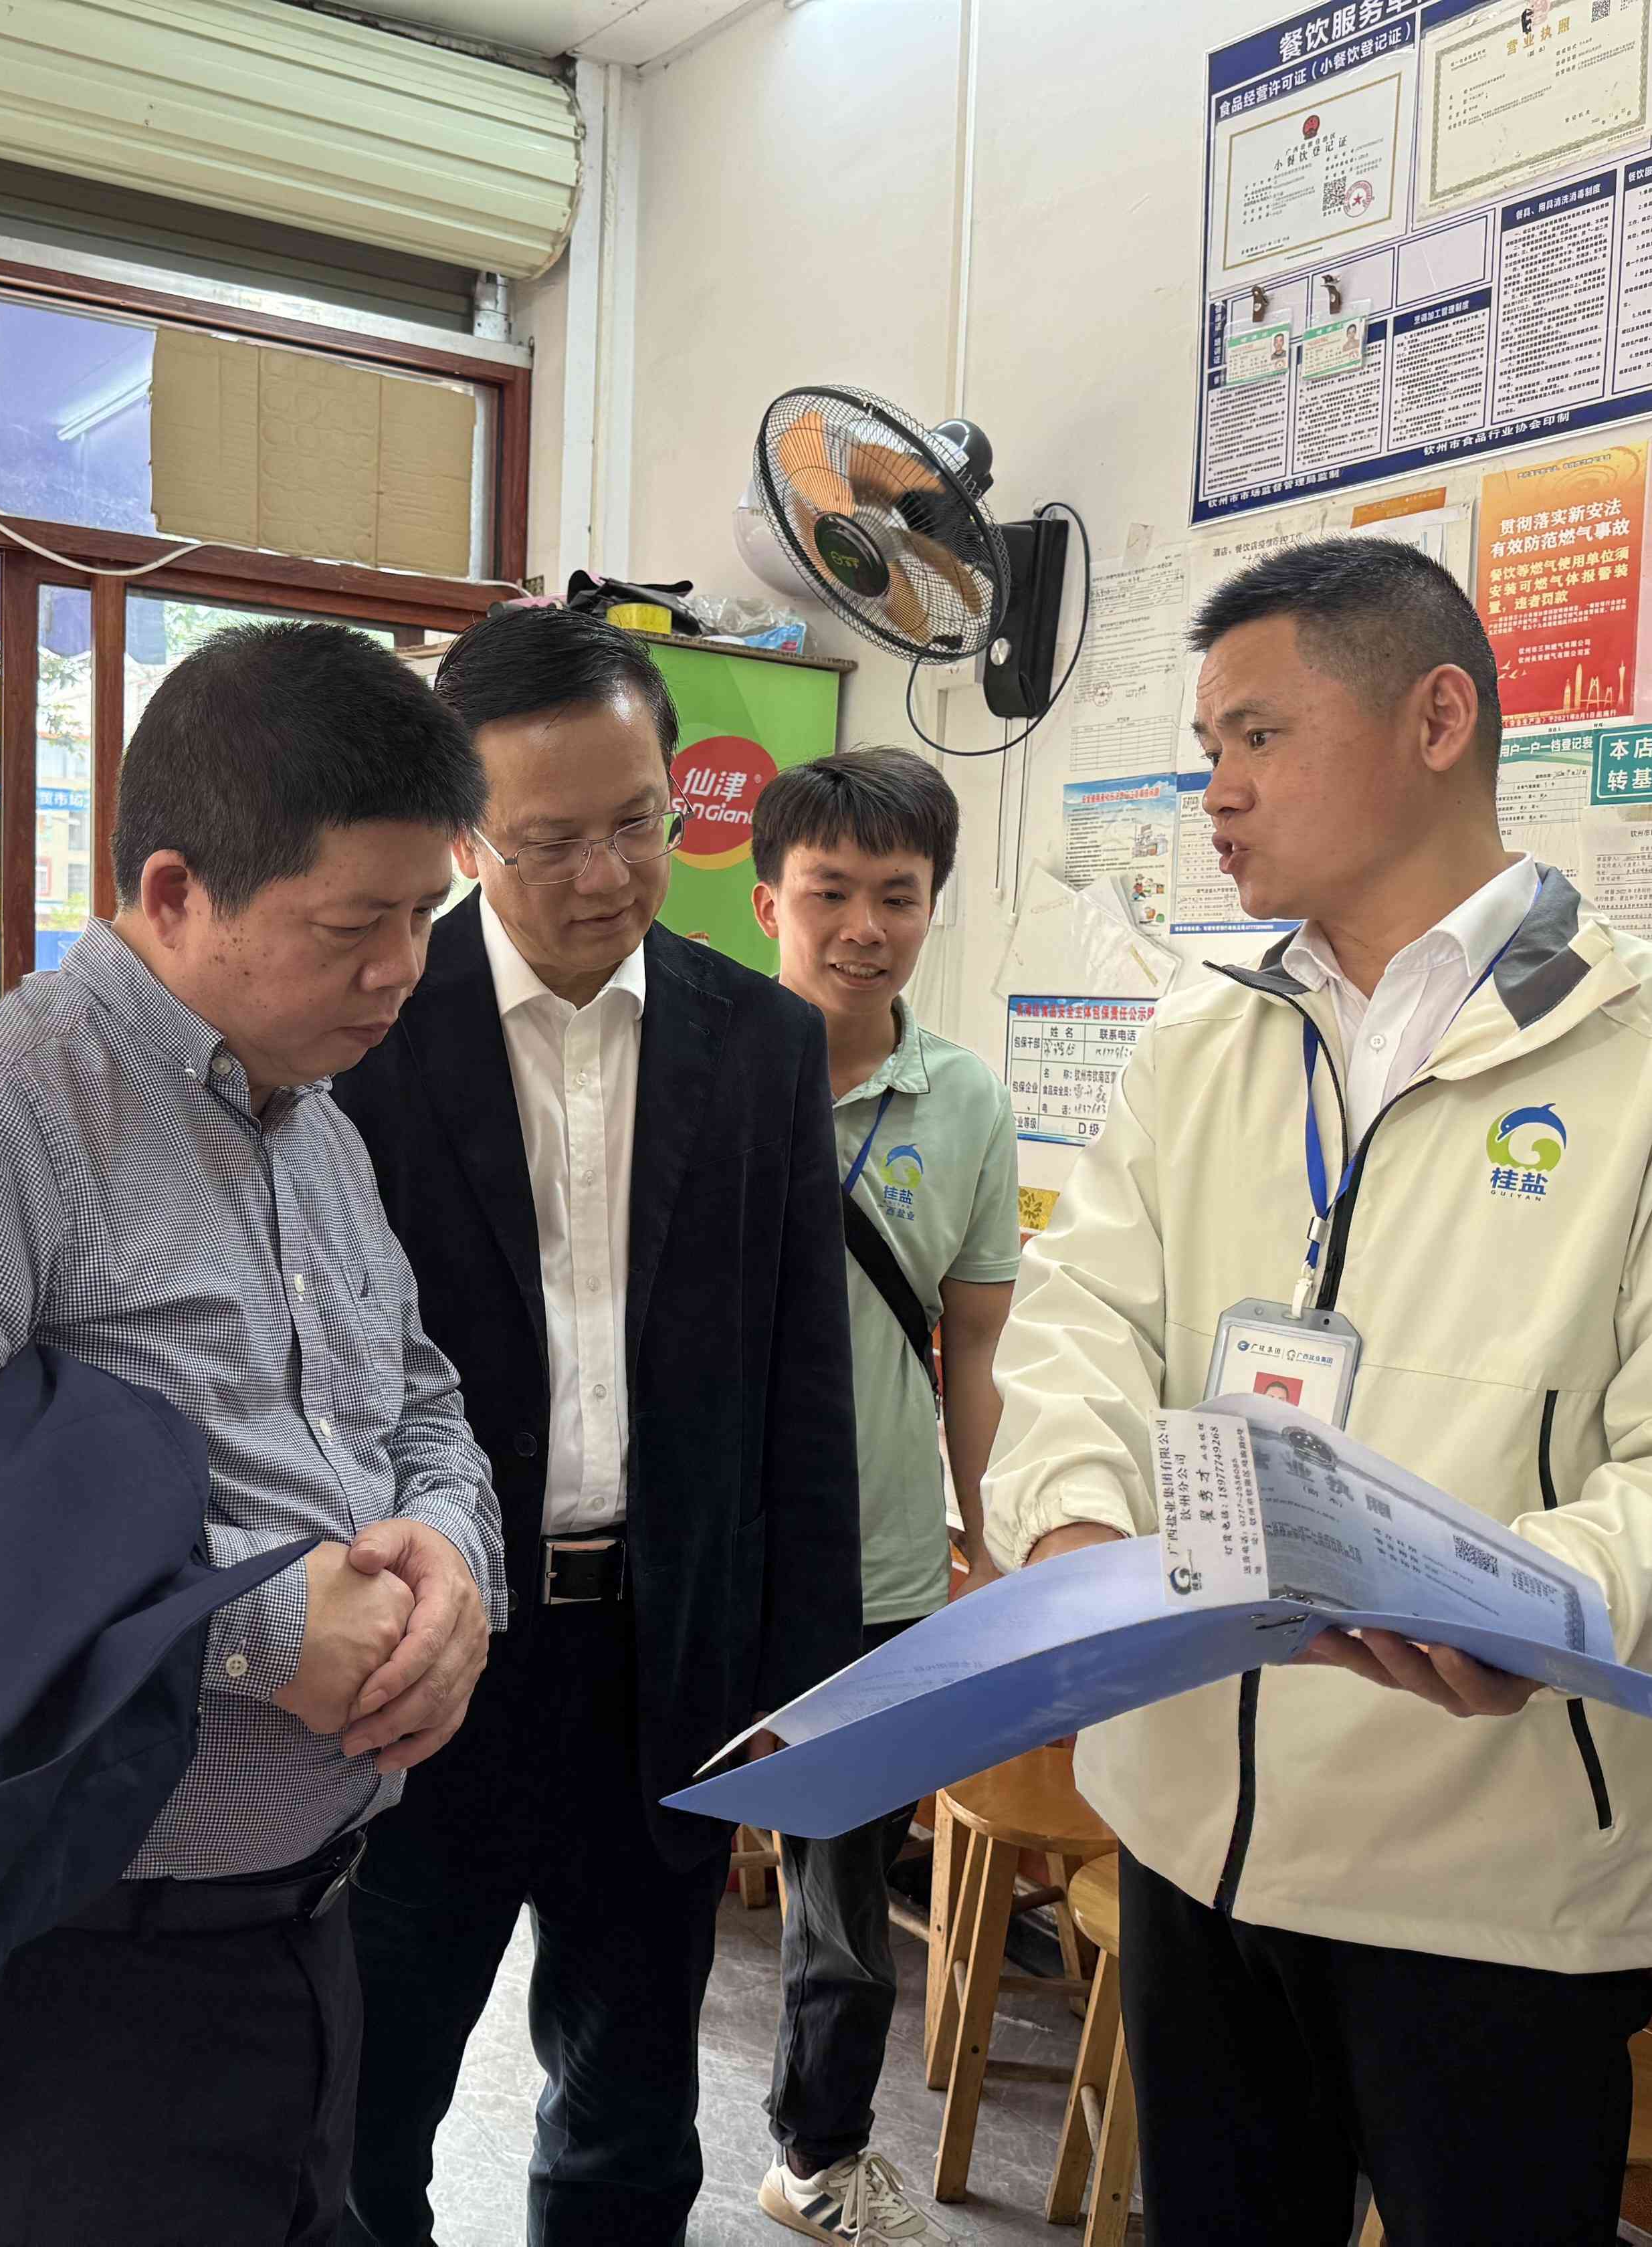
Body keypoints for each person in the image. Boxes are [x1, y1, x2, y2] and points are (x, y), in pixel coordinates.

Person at [983, 539, 1652, 2247]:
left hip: (1481, 1869)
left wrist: (1548, 1595)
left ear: (1436, 719)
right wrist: (1071, 1528)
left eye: (1257, 736)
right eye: (1206, 747)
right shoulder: (1202, 1036)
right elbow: (1079, 1313)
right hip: (1187, 1829)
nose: (1215, 790)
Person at [0, 621, 508, 2245]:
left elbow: (416, 1398)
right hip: (58, 1989)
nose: (400, 972)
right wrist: (249, 1629)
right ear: (170, 892)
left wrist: (452, 1553)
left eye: (425, 916)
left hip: (300, 1941)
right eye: (350, 925)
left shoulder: (313, 1126)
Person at [332, 603, 864, 2247]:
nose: (606, 875)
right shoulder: (366, 1035)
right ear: (464, 833)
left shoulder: (759, 1043)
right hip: (423, 1652)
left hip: (662, 1659)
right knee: (363, 2107)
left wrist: (804, 1686)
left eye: (637, 823)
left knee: (630, 2116)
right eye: (550, 839)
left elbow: (800, 1381)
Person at [744, 749, 1021, 2246]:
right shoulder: (699, 1065)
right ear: (767, 900)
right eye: (830, 892)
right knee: (644, 1863)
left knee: (845, 1895)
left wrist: (988, 1539)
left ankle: (817, 2154)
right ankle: (619, 2141)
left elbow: (972, 1347)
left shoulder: (964, 1099)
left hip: (887, 1563)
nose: (863, 927)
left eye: (897, 897)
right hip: (712, 1554)